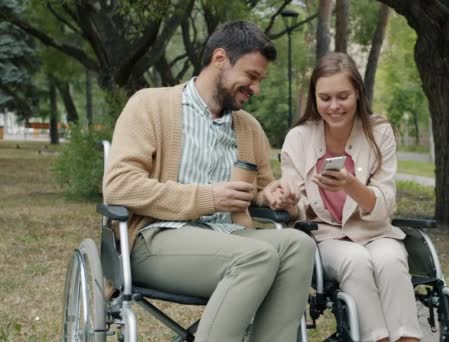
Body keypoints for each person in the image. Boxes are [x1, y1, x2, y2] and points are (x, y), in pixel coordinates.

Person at [103, 21, 315, 342]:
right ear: (220, 59)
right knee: (256, 257)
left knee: (299, 246)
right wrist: (208, 198)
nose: (255, 88)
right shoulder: (150, 105)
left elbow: (259, 191)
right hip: (156, 238)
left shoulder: (248, 127)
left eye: (260, 80)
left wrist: (274, 195)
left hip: (231, 237)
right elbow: (120, 186)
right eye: (251, 76)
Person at [279, 52, 423, 342]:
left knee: (391, 261)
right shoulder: (298, 137)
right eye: (325, 98)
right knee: (355, 260)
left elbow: (385, 204)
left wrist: (350, 186)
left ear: (357, 92)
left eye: (342, 96)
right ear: (314, 98)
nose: (333, 106)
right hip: (326, 237)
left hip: (375, 232)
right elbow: (298, 209)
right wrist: (288, 202)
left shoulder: (379, 132)